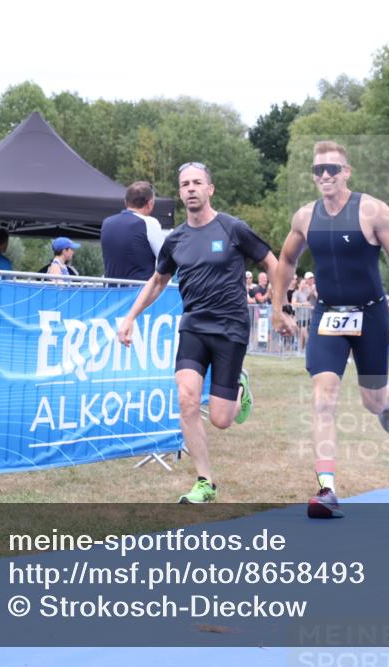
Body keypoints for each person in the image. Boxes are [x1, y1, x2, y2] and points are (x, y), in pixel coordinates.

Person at [272, 140, 389, 519]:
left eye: (332, 169)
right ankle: (327, 489)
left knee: (370, 401)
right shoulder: (305, 217)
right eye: (318, 170)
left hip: (371, 315)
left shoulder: (373, 211)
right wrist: (282, 306)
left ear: (346, 172)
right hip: (328, 316)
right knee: (323, 397)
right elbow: (286, 260)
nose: (325, 176)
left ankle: (387, 401)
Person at [117, 162, 277, 504]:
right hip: (193, 326)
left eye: (197, 183)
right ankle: (205, 482)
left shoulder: (233, 229)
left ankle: (239, 385)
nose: (191, 188)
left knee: (220, 419)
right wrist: (130, 316)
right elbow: (158, 281)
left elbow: (272, 263)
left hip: (230, 328)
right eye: (185, 184)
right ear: (179, 193)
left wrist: (280, 305)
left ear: (210, 189)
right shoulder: (175, 240)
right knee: (186, 398)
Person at [101, 181, 167, 281]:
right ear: (150, 203)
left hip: (111, 291)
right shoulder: (149, 222)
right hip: (139, 292)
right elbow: (164, 258)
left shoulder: (107, 223)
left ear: (125, 202)